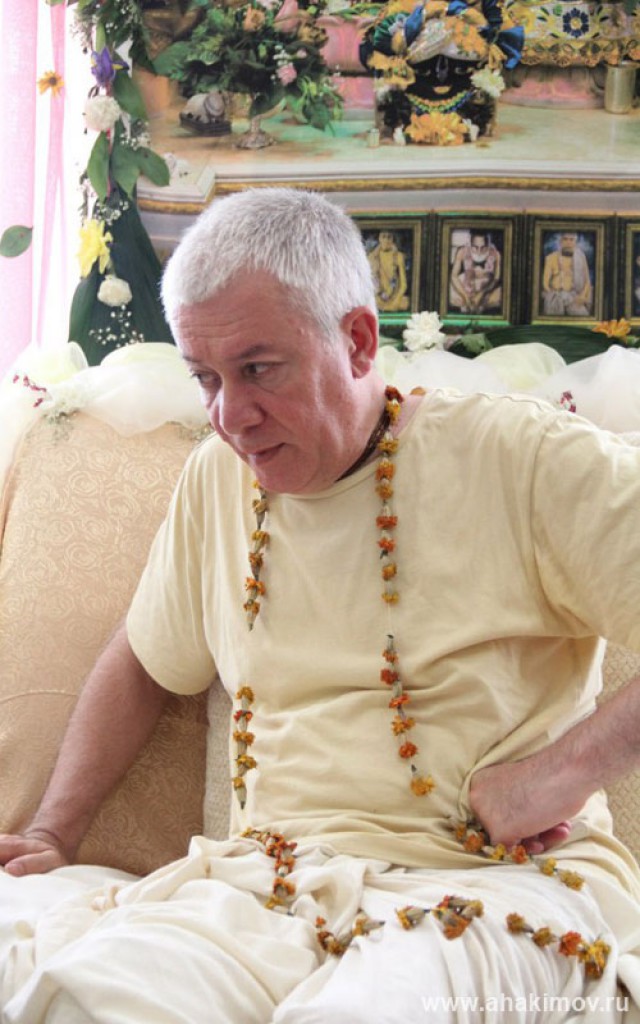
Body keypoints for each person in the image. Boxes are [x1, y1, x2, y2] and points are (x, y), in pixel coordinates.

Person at [1, 187, 640, 1023]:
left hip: (496, 886)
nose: (231, 416)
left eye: (259, 369)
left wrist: (558, 776)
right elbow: (144, 658)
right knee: (89, 1001)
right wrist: (52, 833)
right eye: (205, 378)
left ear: (359, 341)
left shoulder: (522, 456)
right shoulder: (218, 478)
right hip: (266, 885)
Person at [449, 230, 502, 314]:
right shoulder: (462, 251)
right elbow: (454, 276)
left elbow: (496, 278)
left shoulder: (496, 253)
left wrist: (482, 294)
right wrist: (465, 296)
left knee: (500, 295)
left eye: (483, 247)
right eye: (475, 247)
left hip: (486, 289)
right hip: (466, 287)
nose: (479, 251)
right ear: (470, 243)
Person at [542, 232, 593, 318]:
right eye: (565, 239)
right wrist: (553, 296)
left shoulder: (581, 257)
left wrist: (582, 296)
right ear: (560, 242)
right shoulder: (550, 258)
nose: (568, 242)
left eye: (571, 240)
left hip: (575, 297)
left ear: (575, 242)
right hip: (556, 297)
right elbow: (545, 283)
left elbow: (587, 281)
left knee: (583, 317)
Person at [367, 229, 410, 312]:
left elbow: (403, 285)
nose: (386, 240)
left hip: (395, 297)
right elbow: (369, 283)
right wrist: (378, 295)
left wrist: (397, 299)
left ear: (392, 239)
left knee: (405, 303)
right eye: (383, 237)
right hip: (378, 298)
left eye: (389, 237)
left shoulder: (399, 256)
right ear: (379, 238)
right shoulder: (372, 257)